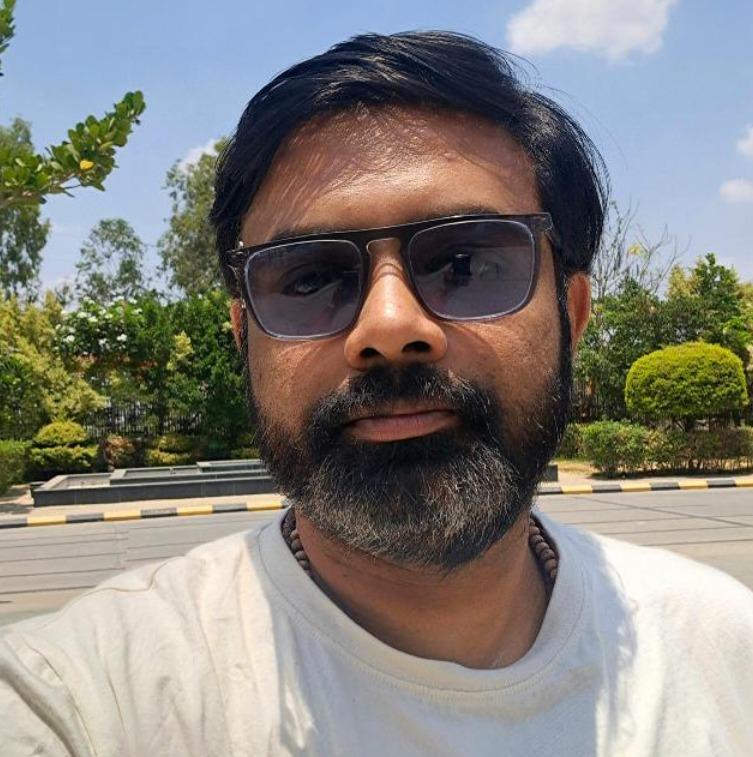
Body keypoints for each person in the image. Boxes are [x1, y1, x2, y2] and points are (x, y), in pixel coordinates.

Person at [1, 31, 752, 756]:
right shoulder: (82, 698)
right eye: (310, 278)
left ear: (573, 315)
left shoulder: (721, 648)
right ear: (243, 337)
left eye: (465, 264)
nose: (390, 327)